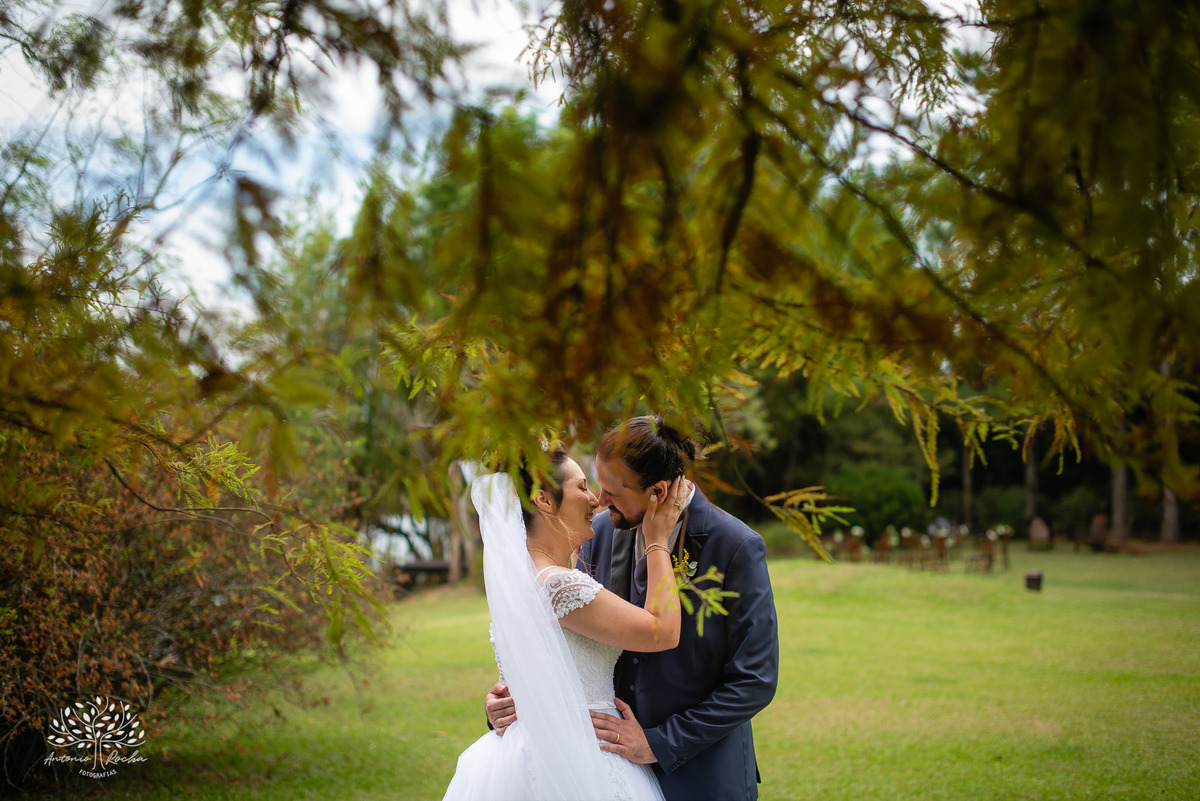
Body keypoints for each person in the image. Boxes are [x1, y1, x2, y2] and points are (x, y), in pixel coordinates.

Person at [487, 417, 779, 801]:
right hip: (600, 770)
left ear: (657, 491)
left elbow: (754, 680)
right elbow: (562, 633)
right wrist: (508, 702)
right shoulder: (601, 531)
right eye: (593, 484)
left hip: (701, 775)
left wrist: (658, 743)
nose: (600, 501)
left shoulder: (735, 545)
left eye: (611, 492)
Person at [444, 448, 687, 801]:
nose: (595, 500)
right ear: (543, 499)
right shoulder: (559, 585)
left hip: (530, 747)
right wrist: (658, 541)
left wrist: (501, 701)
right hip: (581, 755)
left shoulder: (521, 579)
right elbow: (663, 631)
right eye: (583, 486)